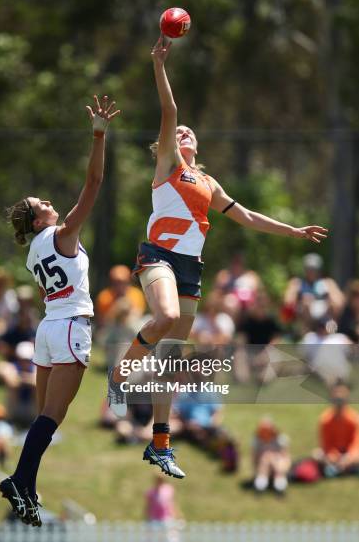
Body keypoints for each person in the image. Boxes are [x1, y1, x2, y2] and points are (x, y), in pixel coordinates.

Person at [107, 34, 328, 479]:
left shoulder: (207, 183)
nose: (183, 131)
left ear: (197, 146)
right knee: (165, 316)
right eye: (178, 131)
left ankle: (160, 443)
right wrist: (158, 64)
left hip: (191, 268)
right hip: (159, 257)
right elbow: (169, 112)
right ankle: (120, 376)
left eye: (190, 132)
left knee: (173, 359)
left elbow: (245, 215)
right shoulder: (169, 164)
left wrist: (293, 230)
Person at [0, 94, 120, 527]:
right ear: (36, 220)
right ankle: (19, 483)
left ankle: (24, 485)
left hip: (49, 329)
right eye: (41, 205)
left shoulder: (33, 251)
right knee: (52, 416)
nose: (49, 202)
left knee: (45, 417)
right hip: (70, 326)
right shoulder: (62, 235)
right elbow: (93, 183)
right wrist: (99, 137)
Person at [282, 253, 344, 330]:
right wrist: (301, 298)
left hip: (325, 320)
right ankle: (304, 332)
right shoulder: (297, 283)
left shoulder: (328, 283)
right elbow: (287, 303)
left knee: (333, 306)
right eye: (309, 269)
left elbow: (339, 303)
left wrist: (326, 300)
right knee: (305, 305)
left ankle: (329, 330)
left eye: (314, 269)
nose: (311, 272)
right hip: (304, 319)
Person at [316, 380, 359, 477]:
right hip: (334, 455)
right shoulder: (325, 419)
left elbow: (356, 445)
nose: (339, 396)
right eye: (336, 393)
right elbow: (327, 445)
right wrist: (334, 456)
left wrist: (348, 458)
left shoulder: (354, 419)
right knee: (318, 454)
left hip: (350, 454)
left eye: (342, 393)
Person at [0, 341, 37, 428]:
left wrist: (21, 378)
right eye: (22, 359)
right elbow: (13, 383)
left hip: (31, 409)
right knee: (12, 389)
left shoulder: (37, 368)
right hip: (16, 407)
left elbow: (36, 383)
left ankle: (35, 421)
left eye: (28, 360)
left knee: (37, 390)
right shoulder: (9, 366)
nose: (25, 362)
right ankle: (11, 420)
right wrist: (28, 379)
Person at [252, 417, 291, 494]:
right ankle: (262, 484)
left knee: (273, 458)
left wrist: (282, 467)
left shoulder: (281, 439)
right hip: (263, 465)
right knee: (265, 458)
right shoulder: (256, 440)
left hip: (278, 464)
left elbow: (286, 457)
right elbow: (255, 457)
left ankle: (279, 485)